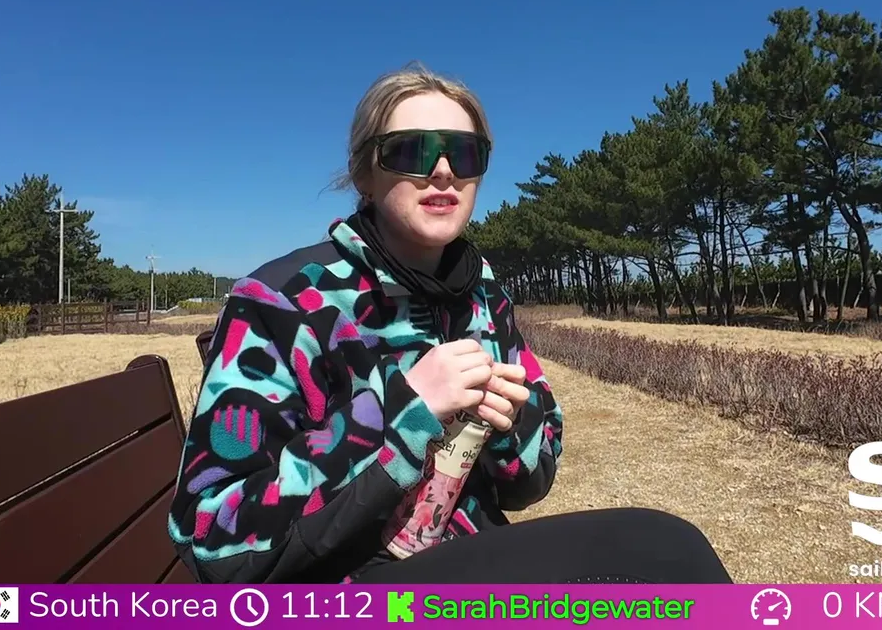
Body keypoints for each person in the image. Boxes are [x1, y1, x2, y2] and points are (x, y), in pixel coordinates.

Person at [167, 63, 733, 584]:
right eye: (410, 150)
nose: (442, 171)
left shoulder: (483, 293)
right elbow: (211, 535)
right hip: (346, 587)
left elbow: (535, 472)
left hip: (470, 556)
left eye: (464, 153)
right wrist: (403, 411)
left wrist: (512, 423)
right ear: (364, 173)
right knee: (663, 550)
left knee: (668, 554)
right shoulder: (281, 301)